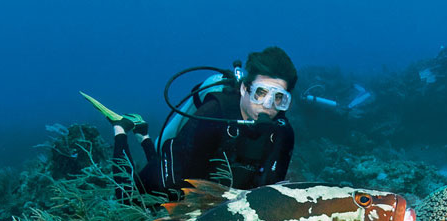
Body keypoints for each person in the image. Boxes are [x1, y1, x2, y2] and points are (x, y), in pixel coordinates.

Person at [86, 46, 297, 200]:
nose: (268, 105)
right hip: (179, 174)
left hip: (216, 197)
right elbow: (179, 177)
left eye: (278, 98)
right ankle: (120, 128)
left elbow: (268, 190)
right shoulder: (213, 115)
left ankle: (143, 134)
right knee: (128, 198)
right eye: (260, 93)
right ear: (244, 89)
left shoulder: (283, 134)